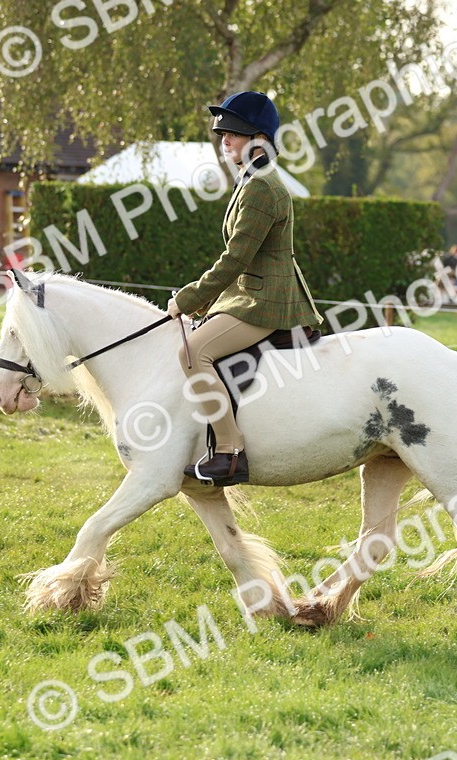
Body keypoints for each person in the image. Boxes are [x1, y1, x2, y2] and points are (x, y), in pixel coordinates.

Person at [167, 91, 322, 486]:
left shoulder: (261, 188)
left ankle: (230, 451)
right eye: (222, 134)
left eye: (232, 134)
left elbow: (235, 259)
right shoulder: (252, 179)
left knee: (193, 352)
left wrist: (189, 299)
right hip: (250, 294)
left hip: (265, 302)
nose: (224, 141)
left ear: (257, 137)